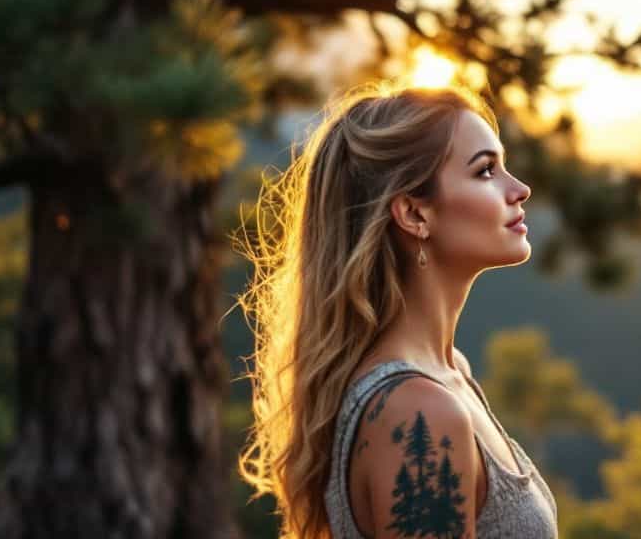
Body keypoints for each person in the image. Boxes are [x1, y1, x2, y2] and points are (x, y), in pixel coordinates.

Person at [236, 83, 557, 539]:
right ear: (413, 213)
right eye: (486, 171)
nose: (520, 189)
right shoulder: (416, 412)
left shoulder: (449, 375)